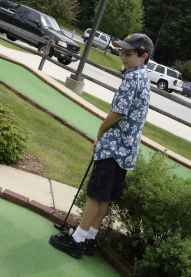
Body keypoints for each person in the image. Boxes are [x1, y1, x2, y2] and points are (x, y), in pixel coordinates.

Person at [49, 33, 154, 259]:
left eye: (128, 53)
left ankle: (76, 240)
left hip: (114, 148)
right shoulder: (144, 76)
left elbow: (117, 113)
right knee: (103, 197)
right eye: (122, 52)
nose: (123, 57)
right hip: (126, 151)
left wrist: (101, 132)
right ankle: (89, 238)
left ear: (143, 56)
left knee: (95, 196)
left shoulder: (132, 78)